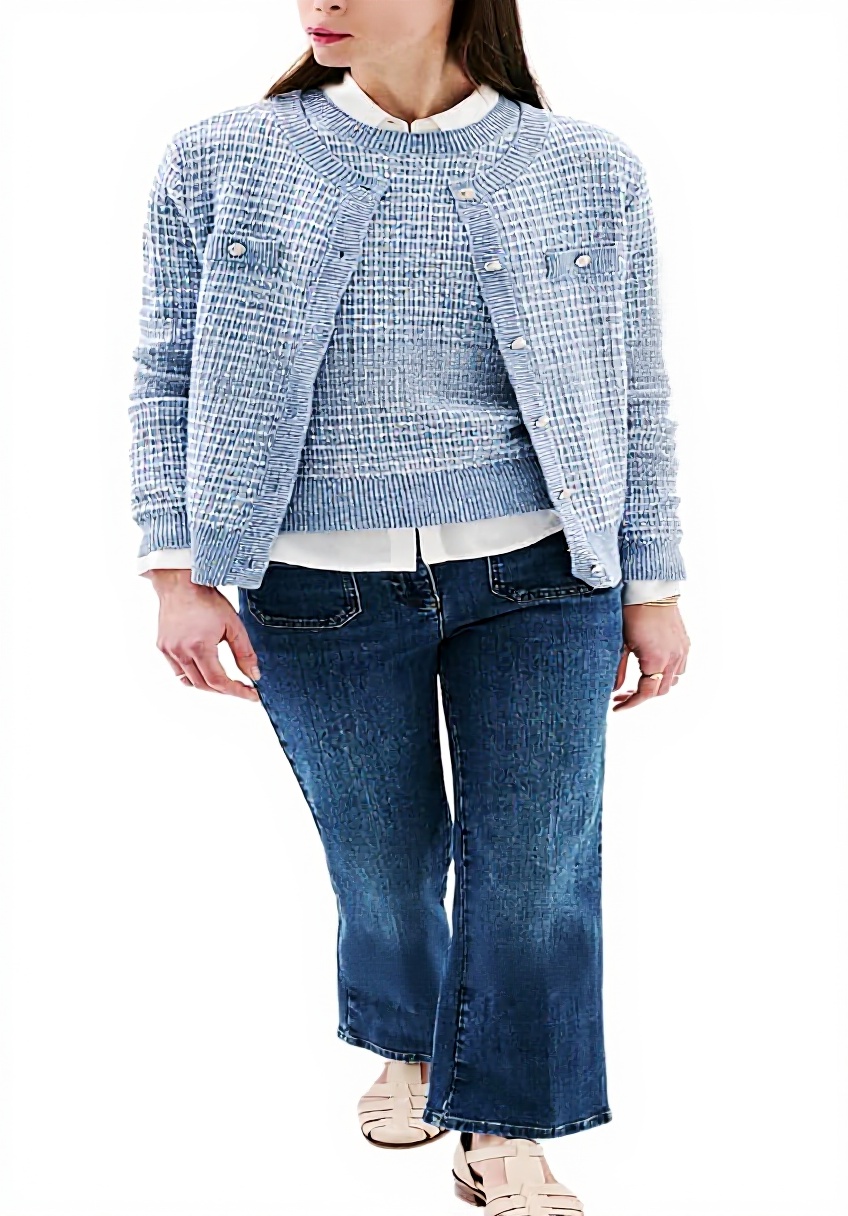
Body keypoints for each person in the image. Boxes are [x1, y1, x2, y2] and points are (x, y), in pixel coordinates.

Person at [129, 0, 691, 1210]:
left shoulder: (586, 167)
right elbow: (165, 365)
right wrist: (176, 569)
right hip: (312, 582)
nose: (320, 2)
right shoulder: (219, 156)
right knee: (381, 860)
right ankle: (412, 1036)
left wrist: (652, 582)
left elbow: (634, 385)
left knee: (535, 870)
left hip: (540, 576)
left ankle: (505, 1124)